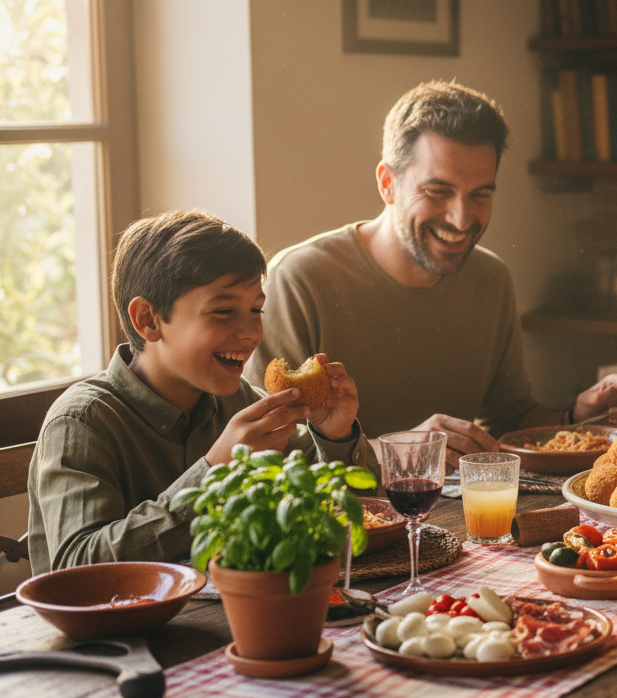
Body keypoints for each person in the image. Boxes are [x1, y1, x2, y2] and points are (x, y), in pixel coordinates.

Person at [245, 80, 617, 463]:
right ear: (388, 184)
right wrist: (398, 449)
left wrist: (575, 415)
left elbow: (510, 420)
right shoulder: (300, 279)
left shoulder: (492, 279)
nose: (461, 218)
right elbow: (259, 450)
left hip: (454, 519)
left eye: (481, 195)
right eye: (438, 192)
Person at [27, 210, 379, 575]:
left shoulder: (243, 402)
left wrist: (335, 434)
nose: (250, 332)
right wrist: (213, 473)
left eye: (256, 309)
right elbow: (79, 567)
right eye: (224, 311)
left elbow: (361, 518)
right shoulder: (83, 423)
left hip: (225, 616)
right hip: (114, 631)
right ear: (148, 319)